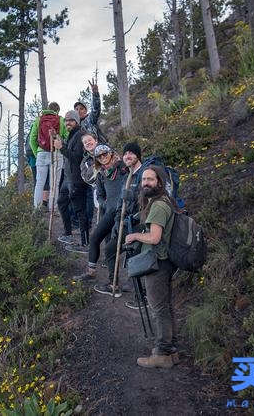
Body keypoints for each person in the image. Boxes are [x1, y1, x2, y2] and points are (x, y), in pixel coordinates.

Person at [125, 166, 179, 368]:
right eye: (143, 179)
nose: (146, 183)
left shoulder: (158, 206)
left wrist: (134, 236)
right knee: (165, 306)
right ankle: (171, 350)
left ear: (159, 182)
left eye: (150, 179)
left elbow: (155, 237)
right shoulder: (163, 202)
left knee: (158, 308)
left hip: (157, 261)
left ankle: (162, 353)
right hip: (164, 260)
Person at [73, 144, 127, 283]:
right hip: (110, 212)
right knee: (95, 238)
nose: (103, 157)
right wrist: (104, 204)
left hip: (124, 212)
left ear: (111, 153)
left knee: (112, 247)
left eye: (105, 154)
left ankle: (115, 282)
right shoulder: (101, 174)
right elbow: (100, 195)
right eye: (99, 156)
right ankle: (91, 272)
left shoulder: (122, 168)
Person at [100, 142, 143, 297]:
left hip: (142, 224)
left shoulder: (144, 173)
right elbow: (120, 203)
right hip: (126, 223)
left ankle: (142, 295)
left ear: (138, 155)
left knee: (137, 255)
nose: (127, 156)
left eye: (131, 153)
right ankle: (114, 284)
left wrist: (134, 196)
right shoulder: (127, 176)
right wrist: (118, 222)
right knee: (110, 249)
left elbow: (151, 197)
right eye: (125, 154)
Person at [56, 110, 90, 250]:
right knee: (61, 202)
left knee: (80, 211)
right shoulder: (72, 135)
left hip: (77, 180)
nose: (67, 122)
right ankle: (68, 234)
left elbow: (77, 158)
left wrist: (61, 148)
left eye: (70, 120)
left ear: (76, 121)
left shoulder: (81, 135)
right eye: (66, 120)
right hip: (68, 179)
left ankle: (85, 243)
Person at [28, 102, 67, 208]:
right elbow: (66, 136)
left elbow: (32, 139)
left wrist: (38, 153)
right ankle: (53, 208)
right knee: (55, 182)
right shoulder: (61, 120)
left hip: (41, 153)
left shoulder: (39, 119)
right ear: (57, 110)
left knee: (39, 182)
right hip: (56, 153)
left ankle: (37, 208)